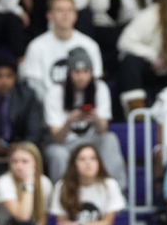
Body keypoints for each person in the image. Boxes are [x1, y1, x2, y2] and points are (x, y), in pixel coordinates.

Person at [44, 48, 126, 188]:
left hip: (92, 142)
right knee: (57, 153)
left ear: (92, 72)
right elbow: (57, 139)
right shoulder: (55, 92)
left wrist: (96, 119)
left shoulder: (100, 88)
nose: (81, 76)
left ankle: (116, 191)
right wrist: (69, 121)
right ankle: (62, 196)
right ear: (69, 73)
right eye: (77, 72)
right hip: (66, 144)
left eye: (86, 71)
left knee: (110, 139)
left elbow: (102, 130)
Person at [20, 0, 103, 99]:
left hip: (82, 109)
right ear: (49, 15)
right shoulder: (36, 46)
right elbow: (34, 86)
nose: (65, 14)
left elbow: (94, 81)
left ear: (75, 15)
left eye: (69, 10)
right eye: (60, 10)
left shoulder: (90, 46)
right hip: (47, 109)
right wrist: (55, 107)